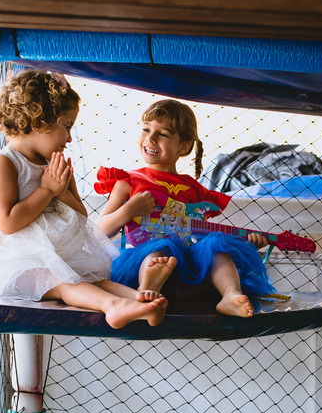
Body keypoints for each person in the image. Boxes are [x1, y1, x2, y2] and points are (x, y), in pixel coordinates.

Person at [0, 71, 167, 329]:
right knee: (64, 282)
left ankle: (137, 299)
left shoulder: (55, 164)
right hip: (10, 261)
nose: (69, 138)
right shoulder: (4, 163)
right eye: (66, 126)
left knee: (82, 277)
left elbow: (81, 216)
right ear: (37, 122)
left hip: (52, 253)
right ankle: (113, 307)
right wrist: (46, 190)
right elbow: (8, 224)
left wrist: (63, 191)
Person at [95, 99, 275, 318]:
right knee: (159, 249)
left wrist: (246, 244)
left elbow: (197, 235)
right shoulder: (129, 181)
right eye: (146, 129)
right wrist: (127, 211)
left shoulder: (196, 189)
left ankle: (230, 294)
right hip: (144, 263)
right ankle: (146, 291)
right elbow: (97, 232)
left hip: (190, 272)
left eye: (163, 134)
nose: (150, 138)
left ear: (184, 146)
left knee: (215, 245)